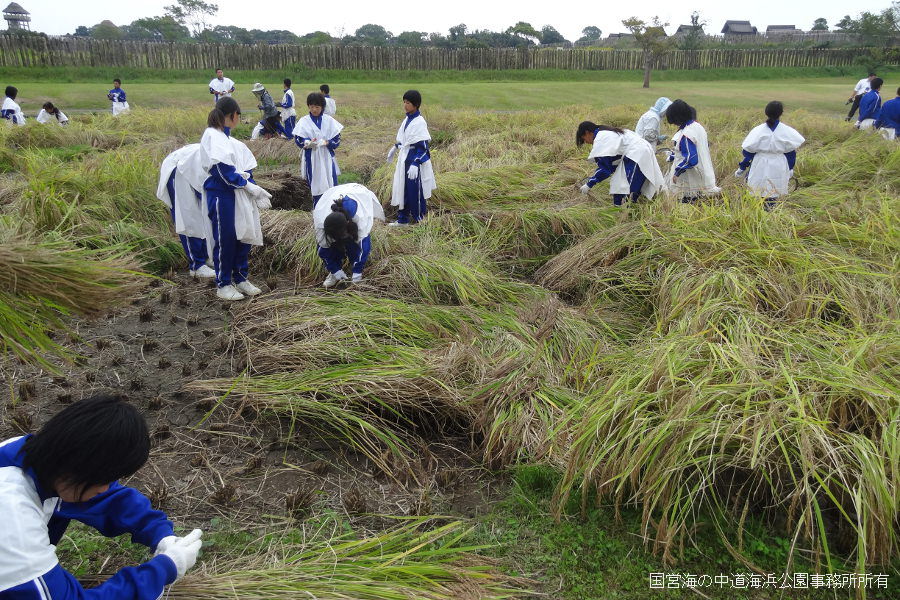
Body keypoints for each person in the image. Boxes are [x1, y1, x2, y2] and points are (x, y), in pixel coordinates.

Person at [0, 395, 203, 600]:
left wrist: (160, 534)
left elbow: (110, 500)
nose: (105, 488)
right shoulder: (12, 516)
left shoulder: (34, 457)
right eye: (103, 478)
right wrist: (161, 571)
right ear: (78, 467)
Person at [200, 97, 272, 301]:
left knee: (244, 235)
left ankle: (240, 278)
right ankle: (223, 284)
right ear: (233, 115)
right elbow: (222, 171)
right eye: (238, 116)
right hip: (222, 194)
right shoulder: (212, 136)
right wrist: (248, 186)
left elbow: (247, 169)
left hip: (238, 194)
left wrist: (254, 190)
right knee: (226, 238)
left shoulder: (230, 141)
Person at [156, 144, 216, 278]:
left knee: (203, 217)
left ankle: (206, 257)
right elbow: (205, 189)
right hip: (179, 172)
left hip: (192, 171)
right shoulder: (211, 159)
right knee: (188, 218)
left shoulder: (230, 158)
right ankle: (197, 266)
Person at [734, 101, 805, 211]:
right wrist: (790, 168)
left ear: (766, 112)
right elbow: (791, 153)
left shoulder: (758, 130)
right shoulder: (786, 131)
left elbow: (749, 153)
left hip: (760, 163)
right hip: (779, 163)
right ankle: (769, 213)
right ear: (781, 113)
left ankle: (757, 214)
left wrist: (742, 168)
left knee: (756, 191)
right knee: (773, 192)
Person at [313, 183, 386, 287]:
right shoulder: (320, 223)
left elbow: (363, 246)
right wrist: (335, 270)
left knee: (352, 243)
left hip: (357, 192)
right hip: (330, 195)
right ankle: (334, 274)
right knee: (333, 247)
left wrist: (357, 271)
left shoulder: (359, 217)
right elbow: (323, 250)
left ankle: (355, 270)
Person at [575, 121, 664, 206]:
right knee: (619, 185)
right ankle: (623, 209)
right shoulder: (606, 133)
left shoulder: (601, 138)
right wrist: (594, 178)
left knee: (627, 189)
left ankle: (626, 212)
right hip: (636, 152)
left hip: (637, 154)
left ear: (587, 133)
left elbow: (605, 170)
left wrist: (589, 184)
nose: (587, 142)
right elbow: (610, 164)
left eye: (584, 139)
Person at [387, 90, 436, 225]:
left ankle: (420, 220)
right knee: (403, 189)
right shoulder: (407, 119)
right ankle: (403, 219)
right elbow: (406, 141)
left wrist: (416, 163)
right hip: (404, 160)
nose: (405, 105)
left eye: (408, 103)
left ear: (416, 104)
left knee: (416, 192)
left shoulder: (419, 122)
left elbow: (423, 147)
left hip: (414, 162)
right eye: (404, 102)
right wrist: (395, 147)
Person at [664, 99, 720, 202]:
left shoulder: (686, 134)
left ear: (677, 118)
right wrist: (674, 156)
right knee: (700, 205)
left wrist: (677, 172)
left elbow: (691, 158)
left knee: (686, 205)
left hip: (690, 184)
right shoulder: (698, 127)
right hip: (704, 176)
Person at [294, 92, 343, 206]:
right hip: (312, 156)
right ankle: (318, 207)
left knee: (330, 180)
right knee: (315, 183)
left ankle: (332, 207)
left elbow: (336, 139)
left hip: (326, 155)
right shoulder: (304, 121)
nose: (314, 110)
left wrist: (327, 142)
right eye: (311, 107)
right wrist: (307, 142)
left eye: (317, 107)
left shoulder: (329, 120)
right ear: (308, 106)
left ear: (322, 107)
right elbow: (298, 139)